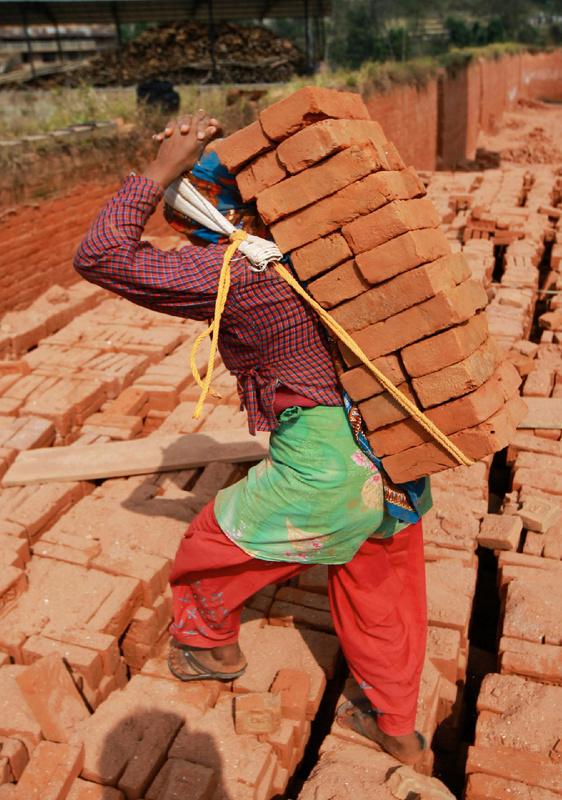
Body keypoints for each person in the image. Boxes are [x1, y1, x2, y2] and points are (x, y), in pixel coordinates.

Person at [74, 110, 433, 765]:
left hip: (325, 465)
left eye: (191, 200)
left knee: (209, 546)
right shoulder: (342, 247)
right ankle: (400, 733)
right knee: (379, 593)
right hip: (395, 452)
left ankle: (210, 648)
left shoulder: (241, 270)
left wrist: (157, 172)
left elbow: (101, 256)